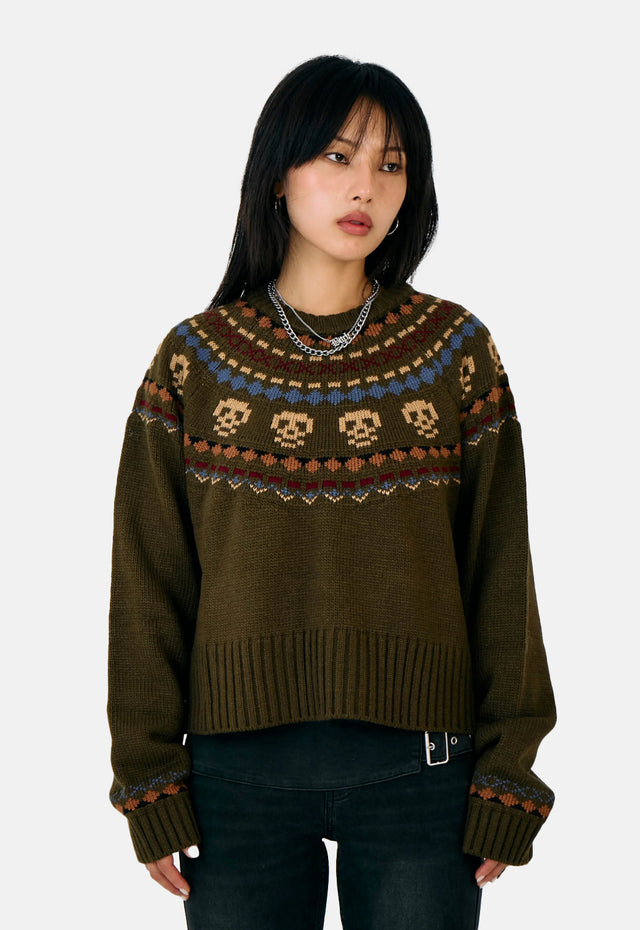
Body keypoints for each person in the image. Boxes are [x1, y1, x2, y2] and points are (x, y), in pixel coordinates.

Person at [107, 55, 556, 930]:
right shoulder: (192, 360)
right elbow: (149, 579)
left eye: (392, 165)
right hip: (233, 780)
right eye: (339, 156)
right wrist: (147, 777)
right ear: (277, 174)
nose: (366, 187)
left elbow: (502, 569)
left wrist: (510, 771)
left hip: (423, 772)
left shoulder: (454, 350)